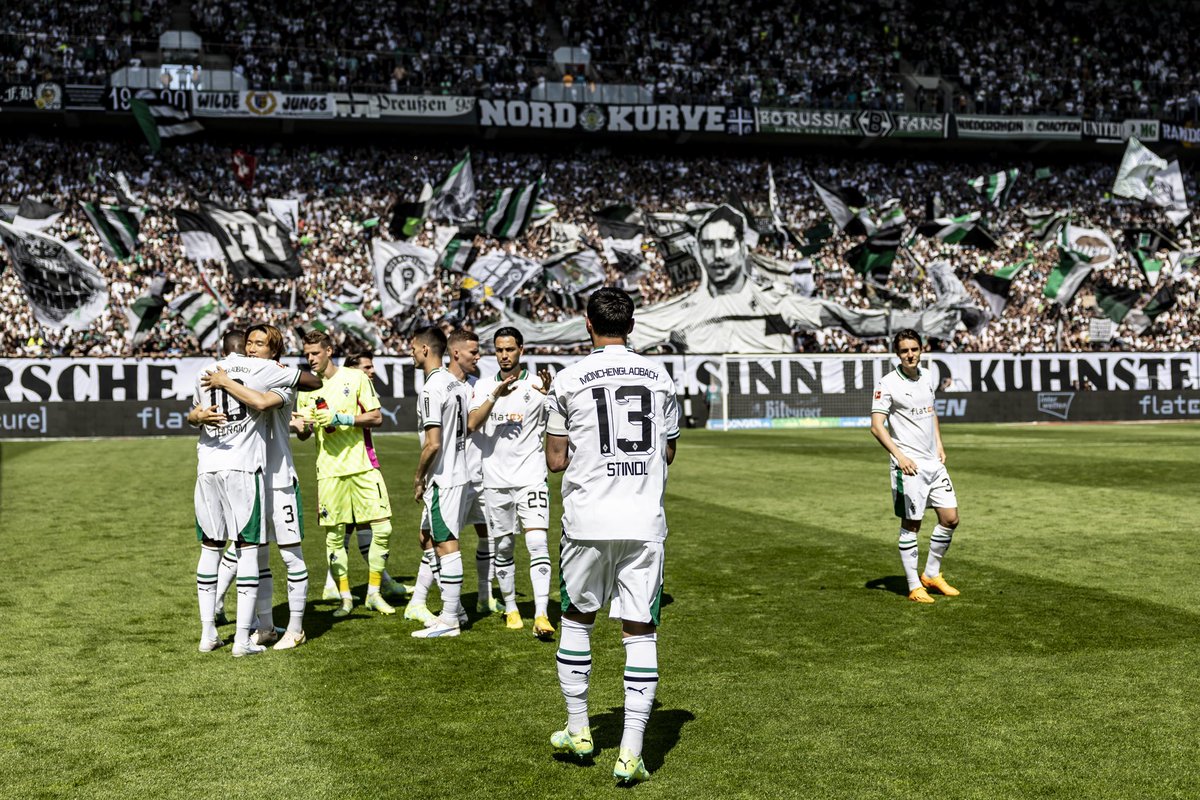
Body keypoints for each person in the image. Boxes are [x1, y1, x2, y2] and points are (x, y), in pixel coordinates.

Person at [544, 287, 680, 784]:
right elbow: (666, 453)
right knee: (639, 629)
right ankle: (630, 753)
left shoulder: (567, 378)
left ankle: (580, 729)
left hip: (587, 519)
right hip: (643, 520)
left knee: (578, 618)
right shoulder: (659, 376)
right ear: (633, 324)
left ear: (587, 323)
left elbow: (556, 461)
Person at [190, 328, 318, 657]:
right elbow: (250, 408)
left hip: (278, 478)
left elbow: (264, 403)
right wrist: (196, 414)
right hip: (251, 474)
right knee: (255, 556)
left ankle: (295, 627)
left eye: (260, 344)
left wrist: (224, 383)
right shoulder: (251, 375)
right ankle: (263, 624)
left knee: (290, 556)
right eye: (249, 343)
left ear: (274, 352)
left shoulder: (277, 381)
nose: (252, 348)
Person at [294, 330, 394, 617]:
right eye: (307, 354)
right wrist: (302, 426)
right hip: (328, 472)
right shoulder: (306, 389)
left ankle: (374, 592)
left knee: (383, 528)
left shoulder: (355, 377)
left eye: (314, 353)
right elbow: (304, 434)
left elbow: (376, 417)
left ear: (328, 350)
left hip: (362, 466)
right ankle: (346, 598)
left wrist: (341, 418)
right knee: (335, 539)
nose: (310, 359)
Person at [467, 326, 555, 638]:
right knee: (503, 546)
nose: (504, 355)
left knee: (536, 543)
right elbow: (472, 423)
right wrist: (496, 394)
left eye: (510, 349)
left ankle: (542, 614)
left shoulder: (538, 384)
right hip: (495, 481)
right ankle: (511, 607)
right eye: (500, 350)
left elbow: (562, 424)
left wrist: (551, 399)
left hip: (531, 477)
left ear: (521, 350)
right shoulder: (482, 386)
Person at [869, 329, 961, 604]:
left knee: (950, 518)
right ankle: (913, 585)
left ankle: (931, 575)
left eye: (914, 349)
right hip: (908, 466)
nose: (910, 354)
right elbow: (876, 426)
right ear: (897, 354)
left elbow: (931, 413)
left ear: (922, 349)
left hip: (933, 463)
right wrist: (899, 456)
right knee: (912, 524)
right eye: (905, 350)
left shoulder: (928, 377)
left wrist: (940, 444)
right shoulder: (887, 384)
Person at [318, 352, 408, 604]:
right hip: (354, 465)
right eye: (367, 367)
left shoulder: (356, 388)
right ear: (354, 370)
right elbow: (370, 419)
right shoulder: (351, 389)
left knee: (351, 527)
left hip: (359, 462)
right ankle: (373, 585)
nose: (372, 371)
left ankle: (350, 584)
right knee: (361, 525)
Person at [408, 326, 472, 638]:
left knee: (446, 545)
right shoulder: (455, 384)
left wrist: (419, 477)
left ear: (424, 349)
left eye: (412, 348)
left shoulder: (432, 388)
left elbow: (432, 443)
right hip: (458, 472)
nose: (411, 353)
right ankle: (454, 608)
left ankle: (449, 620)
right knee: (428, 538)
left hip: (443, 477)